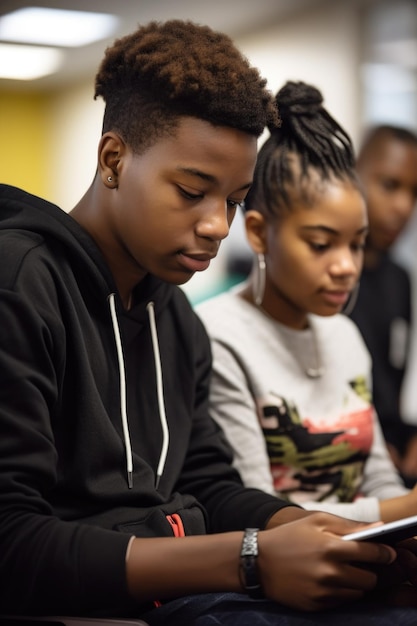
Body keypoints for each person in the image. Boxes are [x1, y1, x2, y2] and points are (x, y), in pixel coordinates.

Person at [1, 22, 417, 626]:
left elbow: (208, 484)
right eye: (192, 191)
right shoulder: (21, 285)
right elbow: (12, 542)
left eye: (232, 199)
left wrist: (317, 531)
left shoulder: (171, 310)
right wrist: (251, 558)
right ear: (114, 159)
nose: (218, 225)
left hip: (194, 595)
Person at [196, 80, 417, 526]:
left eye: (355, 245)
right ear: (259, 233)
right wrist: (399, 511)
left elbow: (378, 478)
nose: (346, 267)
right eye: (321, 245)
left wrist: (400, 523)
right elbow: (255, 509)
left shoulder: (344, 334)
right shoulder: (217, 335)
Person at [348, 125, 417, 486]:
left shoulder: (399, 279)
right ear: (354, 174)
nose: (404, 206)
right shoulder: (328, 278)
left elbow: (390, 387)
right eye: (390, 185)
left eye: (414, 192)